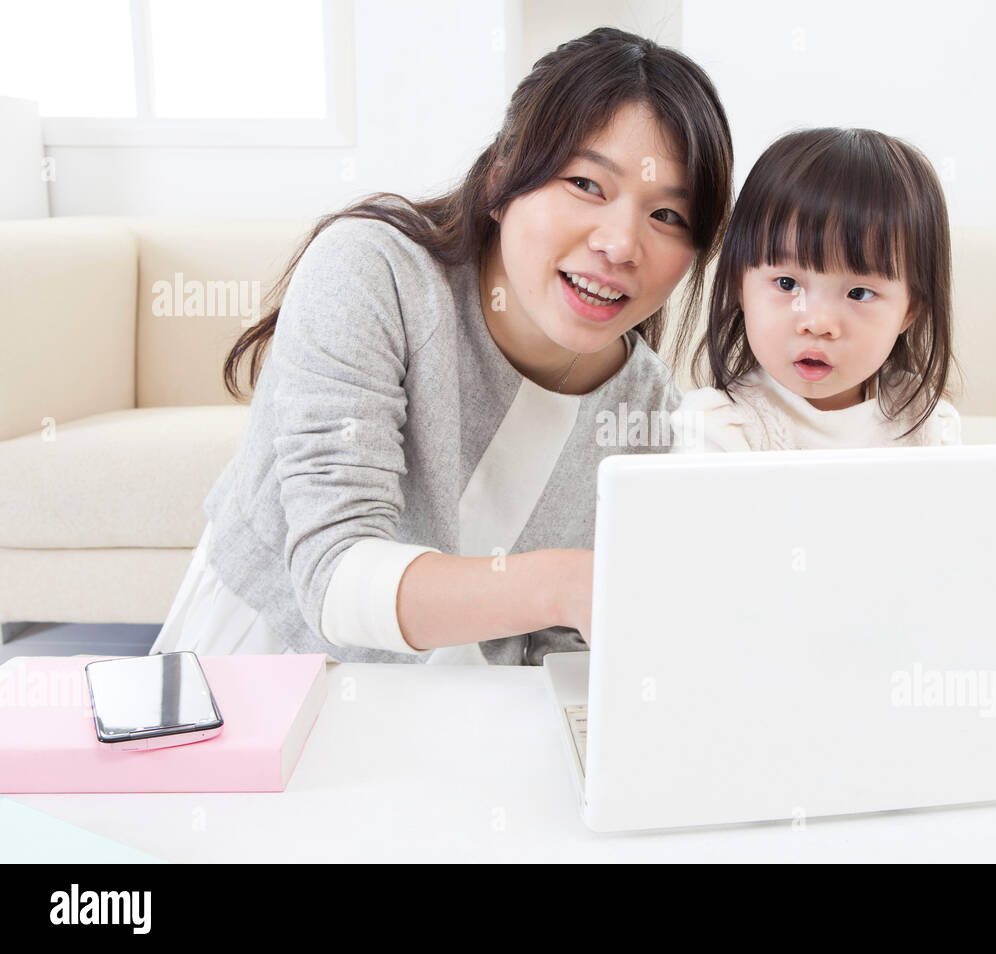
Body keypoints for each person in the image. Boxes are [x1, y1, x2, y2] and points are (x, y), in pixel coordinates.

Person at [150, 27, 734, 665]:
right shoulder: (373, 273)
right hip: (268, 665)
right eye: (587, 185)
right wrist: (566, 584)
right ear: (504, 176)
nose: (621, 243)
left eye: (667, 216)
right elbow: (333, 576)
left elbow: (569, 648)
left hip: (459, 713)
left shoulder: (648, 407)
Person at [671, 128, 961, 454]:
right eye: (787, 284)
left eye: (859, 293)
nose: (818, 323)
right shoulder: (719, 428)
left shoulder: (928, 424)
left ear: (910, 310)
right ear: (740, 285)